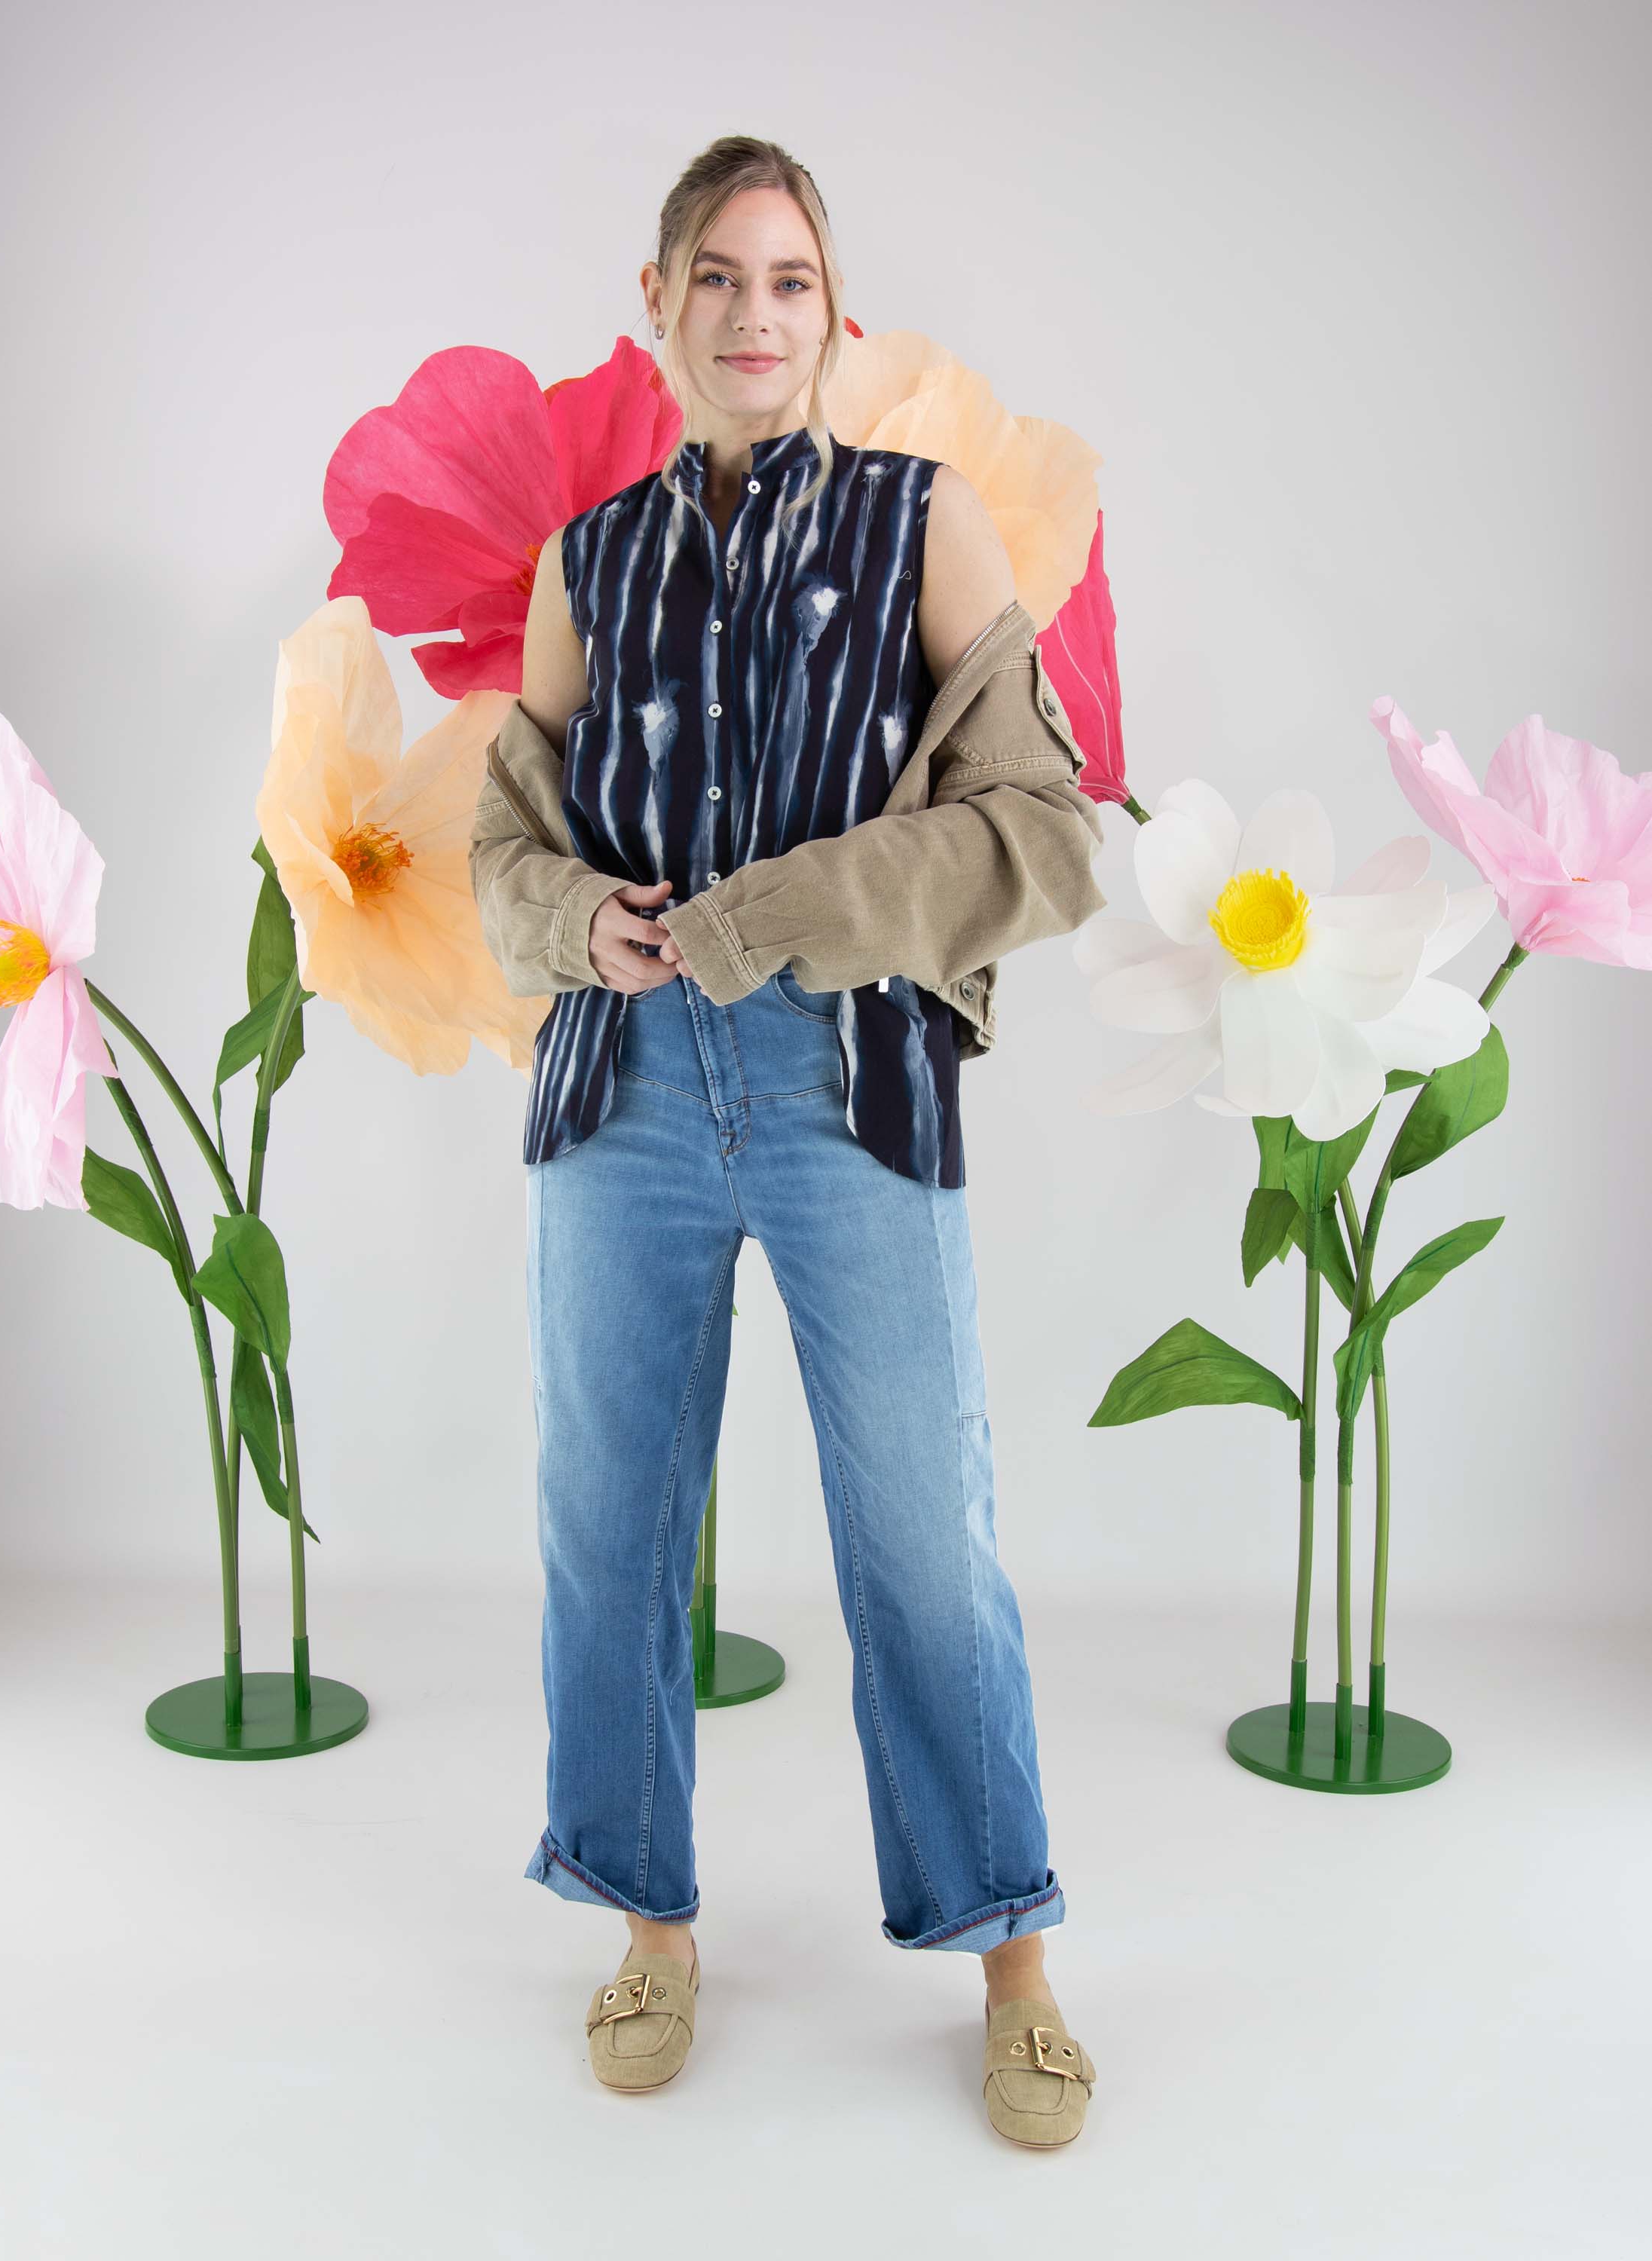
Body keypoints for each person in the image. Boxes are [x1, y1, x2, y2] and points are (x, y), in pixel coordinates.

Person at [469, 133, 1106, 2146]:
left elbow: (1046, 833)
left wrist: (783, 913)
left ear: (832, 310)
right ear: (658, 304)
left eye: (792, 279)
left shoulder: (929, 525)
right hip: (623, 1097)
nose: (756, 315)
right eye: (719, 277)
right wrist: (576, 921)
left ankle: (1012, 1957)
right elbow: (500, 852)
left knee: (921, 1532)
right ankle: (647, 1923)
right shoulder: (587, 563)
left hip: (852, 1087)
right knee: (608, 1522)